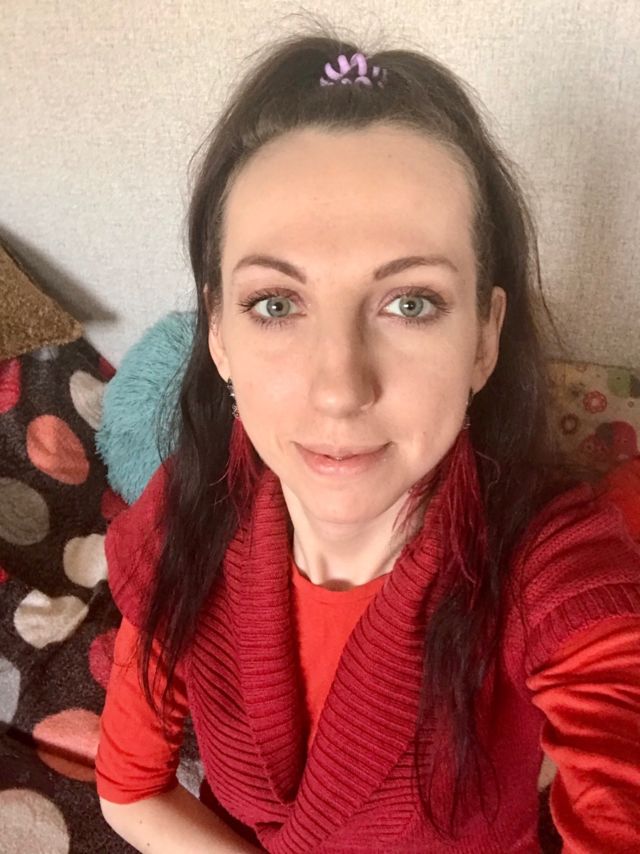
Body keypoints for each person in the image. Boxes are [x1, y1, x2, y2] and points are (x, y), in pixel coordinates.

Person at [95, 21, 640, 854]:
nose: (340, 389)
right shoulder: (188, 511)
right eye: (276, 304)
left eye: (410, 303)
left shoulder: (551, 562)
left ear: (485, 338)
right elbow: (131, 788)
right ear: (218, 333)